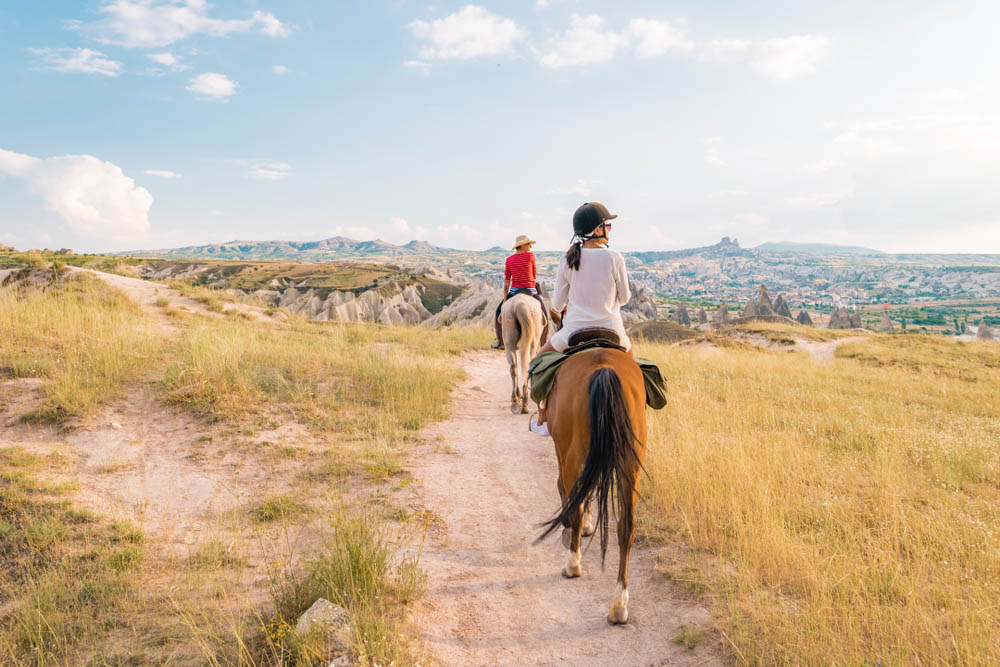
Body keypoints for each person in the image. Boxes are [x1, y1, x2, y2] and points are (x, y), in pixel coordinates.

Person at [537, 202, 631, 356]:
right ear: (597, 229)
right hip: (613, 330)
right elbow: (625, 299)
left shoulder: (567, 259)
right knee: (641, 374)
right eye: (608, 226)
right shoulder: (615, 257)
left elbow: (557, 304)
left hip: (573, 331)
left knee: (537, 362)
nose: (609, 230)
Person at [491, 234, 548, 350]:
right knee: (545, 316)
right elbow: (534, 275)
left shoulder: (509, 260)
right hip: (530, 290)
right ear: (522, 246)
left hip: (514, 291)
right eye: (528, 244)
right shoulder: (531, 256)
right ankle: (544, 344)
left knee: (498, 314)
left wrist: (506, 298)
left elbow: (507, 281)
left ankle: (501, 342)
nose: (530, 247)